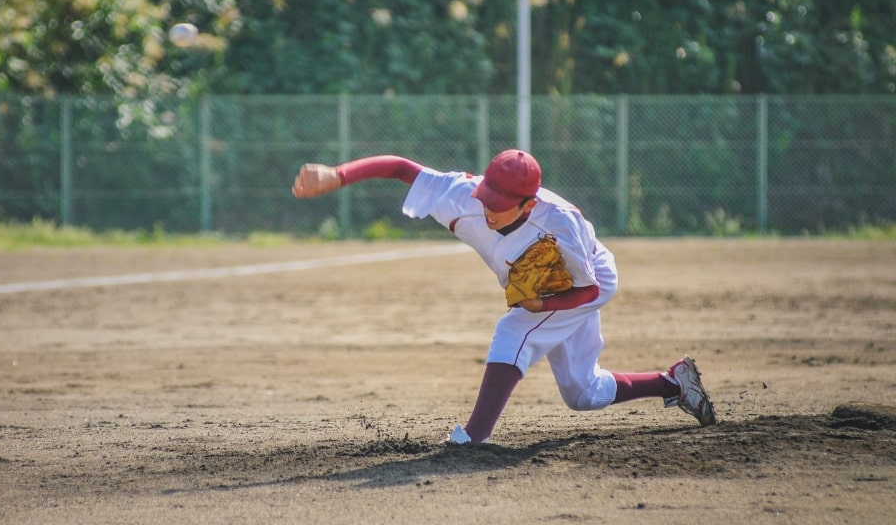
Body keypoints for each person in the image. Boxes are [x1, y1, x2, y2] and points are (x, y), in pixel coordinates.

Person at [292, 149, 716, 444]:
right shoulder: (463, 196)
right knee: (583, 393)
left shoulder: (560, 223)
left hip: (586, 283)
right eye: (488, 197)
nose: (489, 209)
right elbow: (401, 168)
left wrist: (543, 305)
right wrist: (337, 175)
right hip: (556, 291)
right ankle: (673, 382)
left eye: (500, 204)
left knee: (515, 330)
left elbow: (588, 288)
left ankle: (473, 437)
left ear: (528, 205)